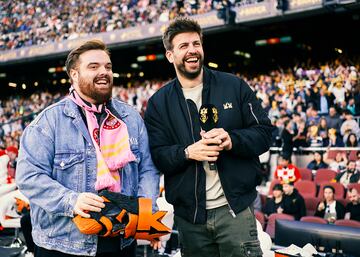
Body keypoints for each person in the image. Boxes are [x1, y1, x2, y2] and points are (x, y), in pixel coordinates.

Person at [16, 40, 160, 257]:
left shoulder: (131, 118)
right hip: (63, 245)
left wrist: (145, 214)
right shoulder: (49, 121)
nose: (104, 72)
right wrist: (71, 200)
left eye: (108, 67)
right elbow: (28, 176)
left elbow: (148, 169)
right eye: (93, 67)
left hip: (122, 242)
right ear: (74, 75)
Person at [144, 17, 273, 257]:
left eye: (196, 43)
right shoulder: (159, 103)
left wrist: (232, 140)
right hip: (191, 218)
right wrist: (187, 152)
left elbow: (265, 132)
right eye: (183, 46)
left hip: (234, 210)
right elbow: (157, 155)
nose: (192, 50)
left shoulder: (234, 86)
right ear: (170, 55)